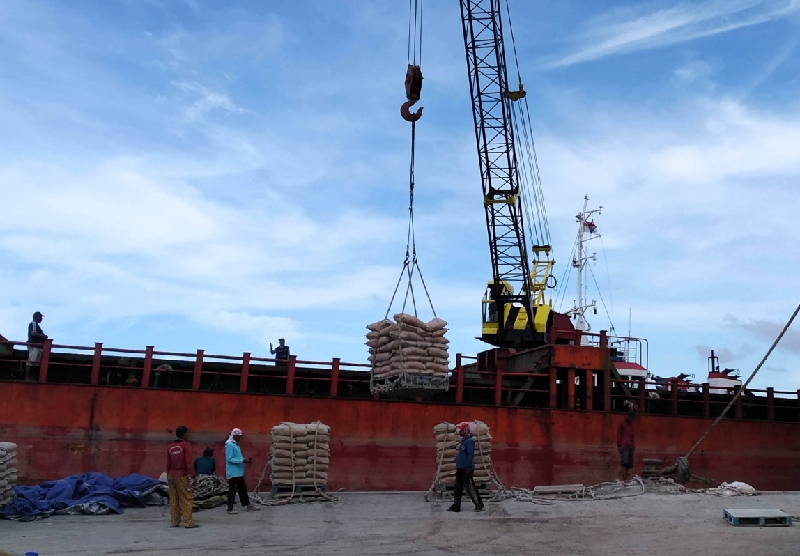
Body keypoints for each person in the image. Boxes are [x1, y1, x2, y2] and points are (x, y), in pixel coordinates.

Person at [447, 423, 485, 513]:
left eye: (461, 430)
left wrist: (468, 466)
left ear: (465, 430)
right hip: (460, 468)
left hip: (466, 469)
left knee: (470, 487)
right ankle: (456, 506)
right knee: (457, 487)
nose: (459, 431)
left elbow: (470, 454)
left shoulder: (470, 441)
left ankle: (479, 504)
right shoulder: (463, 441)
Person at [166, 425, 198, 528]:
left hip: (171, 475)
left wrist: (168, 476)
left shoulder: (170, 446)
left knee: (174, 499)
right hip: (181, 475)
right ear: (184, 434)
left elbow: (168, 464)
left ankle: (174, 521)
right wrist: (193, 476)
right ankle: (188, 522)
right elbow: (189, 461)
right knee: (186, 498)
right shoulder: (186, 445)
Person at [225, 428, 260, 514]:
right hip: (233, 472)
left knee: (242, 489)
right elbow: (229, 459)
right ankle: (230, 508)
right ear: (234, 435)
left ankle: (247, 505)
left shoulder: (235, 445)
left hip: (238, 472)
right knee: (232, 490)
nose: (239, 438)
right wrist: (242, 460)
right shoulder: (229, 445)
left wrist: (244, 460)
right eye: (238, 436)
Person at [26, 311, 47, 381]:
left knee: (35, 363)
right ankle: (28, 378)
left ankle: (31, 378)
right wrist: (43, 336)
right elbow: (33, 334)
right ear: (36, 317)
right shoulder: (33, 324)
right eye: (40, 317)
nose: (41, 318)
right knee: (32, 361)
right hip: (34, 345)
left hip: (38, 346)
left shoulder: (36, 325)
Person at [617, 411, 636, 481]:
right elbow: (619, 434)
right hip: (623, 446)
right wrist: (619, 445)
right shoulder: (622, 424)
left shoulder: (632, 424)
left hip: (630, 446)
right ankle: (620, 478)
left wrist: (633, 445)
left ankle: (628, 479)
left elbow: (632, 435)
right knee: (624, 463)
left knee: (630, 464)